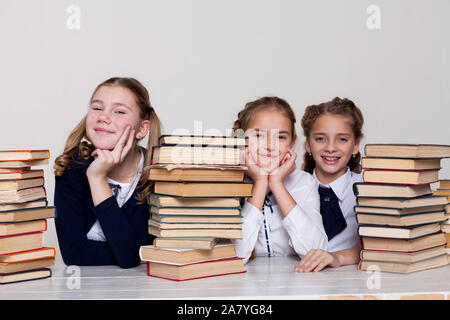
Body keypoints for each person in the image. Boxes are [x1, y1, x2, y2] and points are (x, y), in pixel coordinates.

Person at [53, 77, 162, 268]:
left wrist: (97, 179)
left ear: (141, 129)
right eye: (97, 108)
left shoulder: (156, 176)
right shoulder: (72, 166)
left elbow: (131, 255)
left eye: (119, 111)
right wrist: (95, 176)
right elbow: (73, 254)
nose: (103, 117)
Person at [231, 96, 327, 264]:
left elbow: (316, 251)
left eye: (280, 137)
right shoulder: (227, 183)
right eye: (259, 135)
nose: (269, 145)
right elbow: (237, 257)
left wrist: (277, 184)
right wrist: (260, 182)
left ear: (292, 142)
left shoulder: (304, 182)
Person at [295, 97, 364, 272]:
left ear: (355, 146)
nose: (331, 148)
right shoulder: (292, 188)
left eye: (342, 139)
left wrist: (338, 258)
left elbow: (383, 246)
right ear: (308, 145)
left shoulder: (367, 187)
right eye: (320, 139)